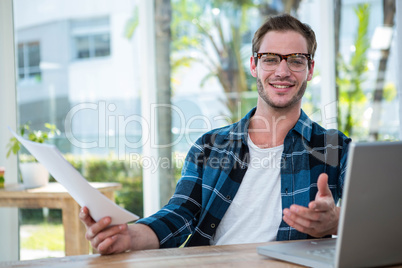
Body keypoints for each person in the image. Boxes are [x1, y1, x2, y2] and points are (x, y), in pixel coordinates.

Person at [79, 13, 351, 254]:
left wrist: (338, 220)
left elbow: (385, 217)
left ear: (310, 69)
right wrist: (128, 236)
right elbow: (181, 213)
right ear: (254, 66)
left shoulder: (336, 147)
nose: (282, 71)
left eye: (296, 60)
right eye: (270, 59)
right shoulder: (209, 146)